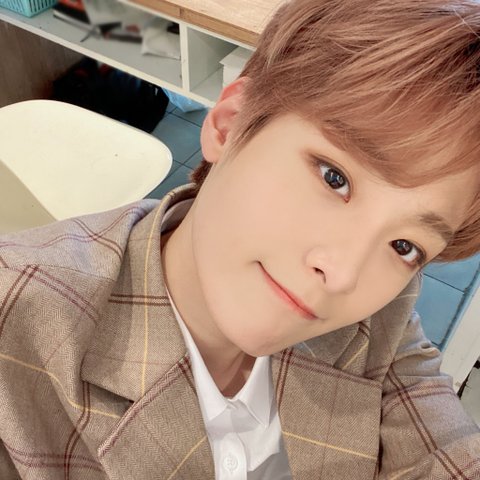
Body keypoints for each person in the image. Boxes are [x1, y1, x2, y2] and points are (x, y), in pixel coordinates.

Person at [1, 0, 480, 478]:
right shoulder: (16, 333)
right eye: (334, 178)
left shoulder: (383, 311)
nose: (342, 274)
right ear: (229, 124)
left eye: (404, 246)